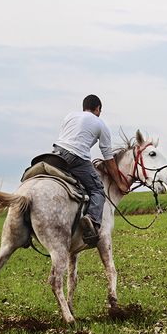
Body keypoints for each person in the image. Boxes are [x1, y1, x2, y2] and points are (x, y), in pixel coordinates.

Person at [52, 94, 130, 246]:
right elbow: (108, 159)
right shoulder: (100, 123)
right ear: (98, 109)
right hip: (77, 157)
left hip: (56, 154)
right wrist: (120, 183)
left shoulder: (70, 116)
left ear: (83, 107)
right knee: (97, 190)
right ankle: (91, 220)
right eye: (100, 110)